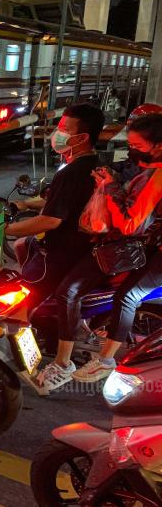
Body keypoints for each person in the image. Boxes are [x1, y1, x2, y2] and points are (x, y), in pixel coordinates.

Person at [4, 103, 104, 391]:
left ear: (81, 137)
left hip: (59, 256)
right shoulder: (92, 165)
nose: (57, 134)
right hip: (84, 249)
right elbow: (57, 201)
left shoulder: (70, 172)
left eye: (64, 129)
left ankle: (45, 367)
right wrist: (22, 204)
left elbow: (51, 219)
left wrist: (7, 228)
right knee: (25, 245)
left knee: (17, 309)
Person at [73, 113, 162, 382]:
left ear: (158, 146)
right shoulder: (151, 170)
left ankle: (105, 360)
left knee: (128, 295)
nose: (132, 150)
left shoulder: (158, 176)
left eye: (137, 146)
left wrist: (110, 188)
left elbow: (128, 223)